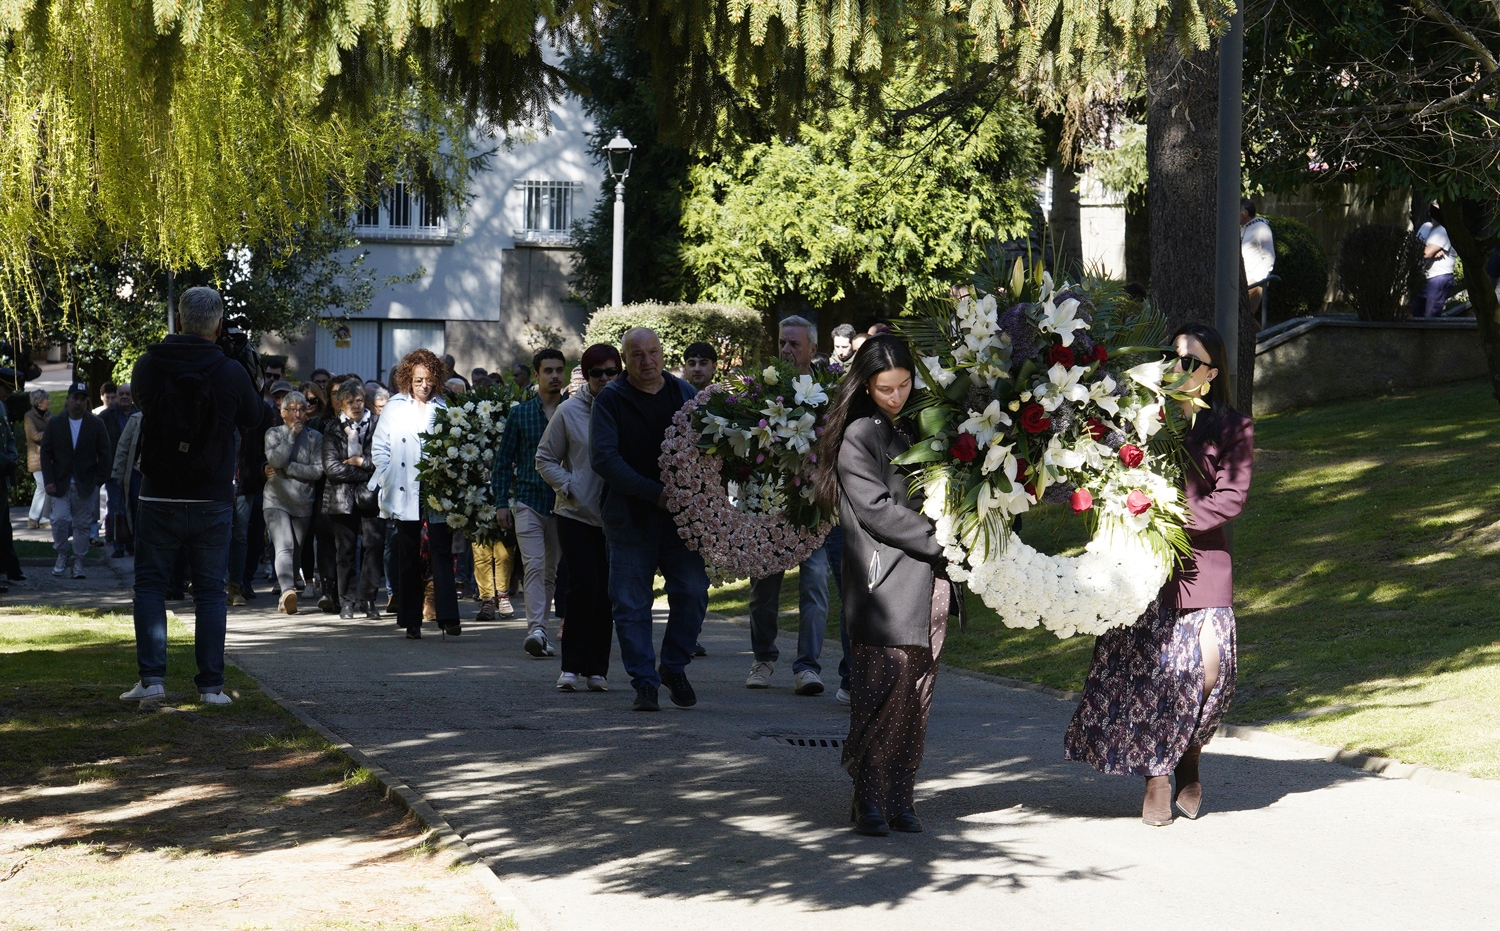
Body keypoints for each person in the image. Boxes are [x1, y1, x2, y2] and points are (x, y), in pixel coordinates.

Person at [1064, 323, 1254, 826]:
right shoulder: (1143, 419)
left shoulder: (1233, 427)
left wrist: (1169, 518)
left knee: (1210, 672)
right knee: (1152, 676)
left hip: (1202, 565)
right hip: (1142, 568)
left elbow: (1230, 498)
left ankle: (1188, 751)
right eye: (1173, 358)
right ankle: (1158, 775)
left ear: (1212, 373)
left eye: (1191, 361)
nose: (1178, 368)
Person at [811, 334, 945, 835]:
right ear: (866, 386)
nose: (897, 396)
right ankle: (869, 797)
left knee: (918, 690)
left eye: (904, 384)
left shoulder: (917, 428)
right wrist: (943, 540)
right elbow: (875, 510)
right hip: (883, 579)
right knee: (880, 690)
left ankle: (901, 796)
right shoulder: (858, 436)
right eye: (886, 388)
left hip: (926, 578)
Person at [123, 286, 264, 705]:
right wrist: (245, 367)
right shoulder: (229, 370)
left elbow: (143, 404)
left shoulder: (149, 364)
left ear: (180, 321)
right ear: (218, 325)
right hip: (212, 493)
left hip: (159, 491)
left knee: (149, 585)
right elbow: (254, 418)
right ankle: (211, 687)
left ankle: (152, 681)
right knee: (208, 590)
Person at [590, 327, 708, 712]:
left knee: (692, 592)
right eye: (637, 355)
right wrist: (654, 492)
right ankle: (644, 682)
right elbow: (604, 459)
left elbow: (707, 445)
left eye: (653, 352)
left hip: (681, 520)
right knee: (630, 604)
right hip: (629, 518)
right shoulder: (611, 399)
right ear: (626, 360)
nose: (647, 361)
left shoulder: (683, 393)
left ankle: (673, 666)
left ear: (662, 353)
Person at [745, 315, 834, 695]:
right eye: (782, 342)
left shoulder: (829, 391)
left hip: (811, 507)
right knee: (763, 590)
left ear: (813, 349)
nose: (786, 350)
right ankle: (763, 658)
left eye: (794, 344)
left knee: (815, 580)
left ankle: (807, 668)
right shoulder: (761, 390)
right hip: (768, 506)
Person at [537, 343, 619, 691]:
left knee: (606, 592)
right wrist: (570, 485)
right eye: (596, 373)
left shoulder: (625, 406)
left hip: (615, 516)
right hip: (574, 514)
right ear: (585, 376)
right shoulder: (569, 411)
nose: (603, 378)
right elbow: (544, 458)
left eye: (610, 371)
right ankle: (570, 666)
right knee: (583, 585)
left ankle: (597, 668)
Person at [369, 348, 460, 639]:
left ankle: (448, 616)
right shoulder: (394, 406)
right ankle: (411, 620)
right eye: (419, 380)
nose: (424, 386)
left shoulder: (445, 407)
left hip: (435, 486)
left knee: (441, 550)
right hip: (403, 485)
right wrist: (386, 475)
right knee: (407, 551)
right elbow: (380, 446)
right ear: (409, 378)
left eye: (429, 380)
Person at [494, 348, 566, 657]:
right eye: (548, 370)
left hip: (565, 504)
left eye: (558, 370)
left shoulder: (573, 411)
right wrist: (500, 503)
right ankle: (536, 629)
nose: (554, 376)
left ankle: (541, 630)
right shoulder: (520, 414)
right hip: (527, 500)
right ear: (535, 375)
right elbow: (503, 461)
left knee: (551, 571)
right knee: (534, 566)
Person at [322, 379, 384, 619]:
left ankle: (368, 600)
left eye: (359, 400)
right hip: (341, 498)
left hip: (372, 497)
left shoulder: (379, 424)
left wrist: (360, 462)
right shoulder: (332, 429)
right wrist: (365, 470)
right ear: (341, 405)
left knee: (374, 547)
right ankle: (346, 601)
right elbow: (332, 468)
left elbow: (381, 460)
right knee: (345, 551)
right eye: (350, 402)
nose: (356, 406)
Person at [40, 382, 112, 579]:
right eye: (75, 398)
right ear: (68, 400)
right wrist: (48, 479)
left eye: (82, 399)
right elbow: (46, 453)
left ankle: (79, 562)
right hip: (60, 483)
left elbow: (105, 452)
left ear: (86, 401)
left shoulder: (95, 424)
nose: (78, 403)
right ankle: (62, 555)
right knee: (59, 520)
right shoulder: (55, 423)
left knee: (82, 525)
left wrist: (99, 479)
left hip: (86, 484)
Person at [263, 391, 325, 614]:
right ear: (283, 413)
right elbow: (275, 460)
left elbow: (317, 471)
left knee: (295, 551)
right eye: (293, 410)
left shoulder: (315, 438)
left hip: (302, 503)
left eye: (302, 410)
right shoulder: (273, 434)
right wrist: (290, 436)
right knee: (284, 546)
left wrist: (289, 469)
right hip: (275, 500)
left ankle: (287, 593)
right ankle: (287, 592)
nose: (298, 414)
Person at [100, 383, 136, 557]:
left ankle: (132, 543)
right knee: (117, 507)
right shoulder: (107, 416)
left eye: (127, 394)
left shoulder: (140, 415)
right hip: (114, 470)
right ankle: (119, 545)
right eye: (121, 394)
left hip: (136, 471)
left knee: (134, 507)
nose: (124, 397)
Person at [0, 369, 26, 589]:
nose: (9, 393)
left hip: (2, 474)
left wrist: (12, 457)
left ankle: (11, 568)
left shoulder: (1, 405)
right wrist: (5, 461)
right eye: (6, 388)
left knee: (4, 526)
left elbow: (7, 436)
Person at [1417, 203, 1456, 319]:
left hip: (1438, 278)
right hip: (1422, 277)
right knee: (1416, 314)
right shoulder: (1426, 226)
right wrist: (1429, 250)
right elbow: (1412, 248)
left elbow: (1426, 253)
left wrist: (1427, 251)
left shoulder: (1444, 230)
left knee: (1431, 316)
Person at [1239, 198, 1276, 317]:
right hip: (1242, 282)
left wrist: (1257, 279)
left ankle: (1259, 336)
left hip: (1254, 283)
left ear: (1244, 213)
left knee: (1244, 316)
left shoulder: (1261, 229)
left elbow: (1269, 257)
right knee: (1242, 317)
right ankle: (1258, 336)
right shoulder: (1243, 228)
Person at [24, 389, 51, 529]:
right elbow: (34, 436)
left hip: (48, 457)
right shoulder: (29, 417)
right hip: (36, 457)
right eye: (47, 399)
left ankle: (39, 519)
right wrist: (50, 432)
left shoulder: (49, 415)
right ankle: (36, 518)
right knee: (42, 486)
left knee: (45, 487)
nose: (49, 401)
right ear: (39, 402)